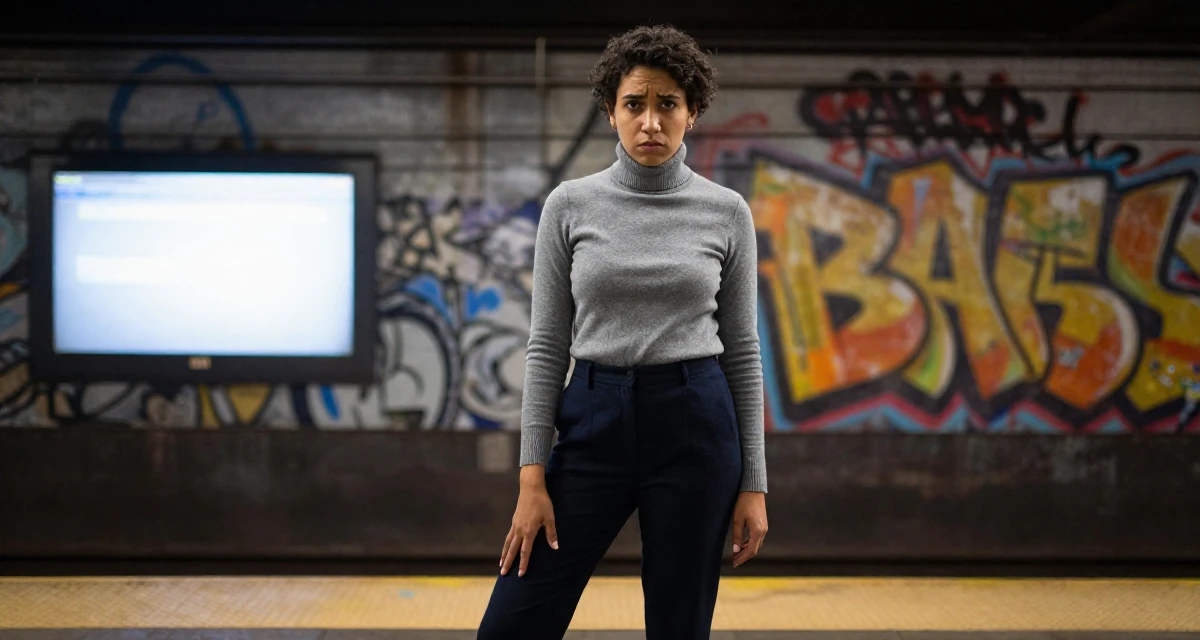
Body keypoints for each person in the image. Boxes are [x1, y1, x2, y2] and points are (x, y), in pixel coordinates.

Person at [477, 23, 768, 640]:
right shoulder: (570, 206)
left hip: (694, 422)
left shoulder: (726, 212)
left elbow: (742, 352)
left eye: (668, 104)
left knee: (677, 627)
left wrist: (754, 484)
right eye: (635, 104)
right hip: (592, 423)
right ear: (611, 112)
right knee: (510, 627)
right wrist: (532, 476)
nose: (651, 122)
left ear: (692, 113)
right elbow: (547, 344)